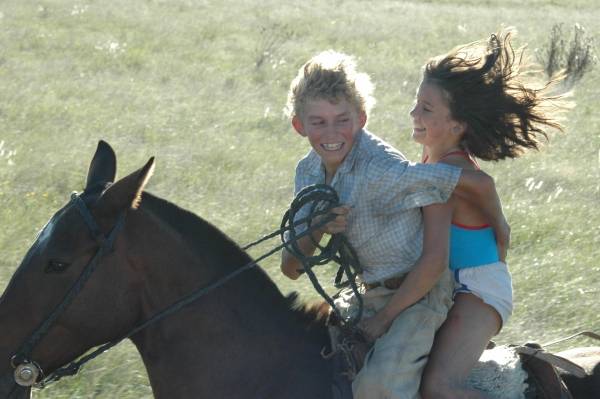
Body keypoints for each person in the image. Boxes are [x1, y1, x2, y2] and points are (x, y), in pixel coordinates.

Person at [280, 50, 509, 399]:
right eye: (318, 121)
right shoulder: (307, 172)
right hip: (368, 291)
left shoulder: (385, 169)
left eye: (342, 119)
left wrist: (500, 229)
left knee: (381, 388)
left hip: (420, 293)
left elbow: (474, 187)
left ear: (361, 119)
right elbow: (291, 267)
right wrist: (318, 226)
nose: (331, 132)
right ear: (299, 125)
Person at [415, 29, 568, 399]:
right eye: (416, 103)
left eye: (426, 109)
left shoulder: (456, 172)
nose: (413, 113)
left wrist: (498, 224)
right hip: (450, 283)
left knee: (438, 387)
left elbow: (484, 188)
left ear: (457, 125)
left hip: (477, 290)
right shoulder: (430, 161)